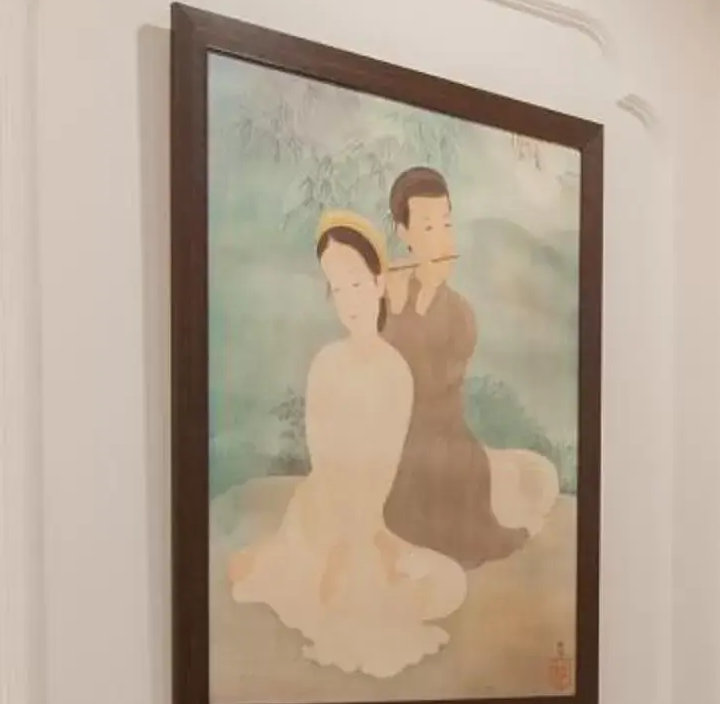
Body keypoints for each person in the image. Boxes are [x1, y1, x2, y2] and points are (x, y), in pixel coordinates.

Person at [227, 215, 465, 677]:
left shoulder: (396, 372)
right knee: (324, 593)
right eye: (336, 288)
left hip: (366, 514)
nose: (348, 300)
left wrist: (367, 538)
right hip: (320, 511)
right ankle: (290, 560)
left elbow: (382, 472)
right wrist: (341, 541)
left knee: (445, 586)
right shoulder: (326, 365)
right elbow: (325, 463)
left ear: (378, 283)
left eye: (355, 283)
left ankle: (344, 565)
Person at [381, 165, 549, 565]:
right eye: (426, 227)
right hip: (394, 453)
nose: (441, 238)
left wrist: (420, 294)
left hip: (449, 450)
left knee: (519, 480)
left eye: (446, 224)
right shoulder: (384, 298)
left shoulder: (460, 313)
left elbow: (436, 395)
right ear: (403, 233)